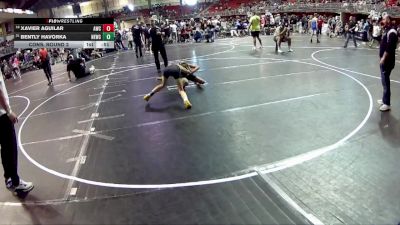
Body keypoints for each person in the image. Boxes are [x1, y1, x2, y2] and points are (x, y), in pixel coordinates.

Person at [0, 74, 34, 195]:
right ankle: (15, 182)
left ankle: (8, 178)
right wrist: (8, 111)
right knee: (10, 148)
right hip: (2, 116)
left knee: (5, 149)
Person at [377, 14, 398, 112]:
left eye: (384, 19)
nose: (383, 20)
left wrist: (383, 58)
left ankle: (387, 103)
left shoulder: (392, 32)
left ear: (389, 19)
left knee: (386, 82)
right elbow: (382, 42)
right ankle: (384, 99)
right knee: (384, 81)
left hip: (388, 61)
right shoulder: (386, 30)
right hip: (384, 60)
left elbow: (390, 47)